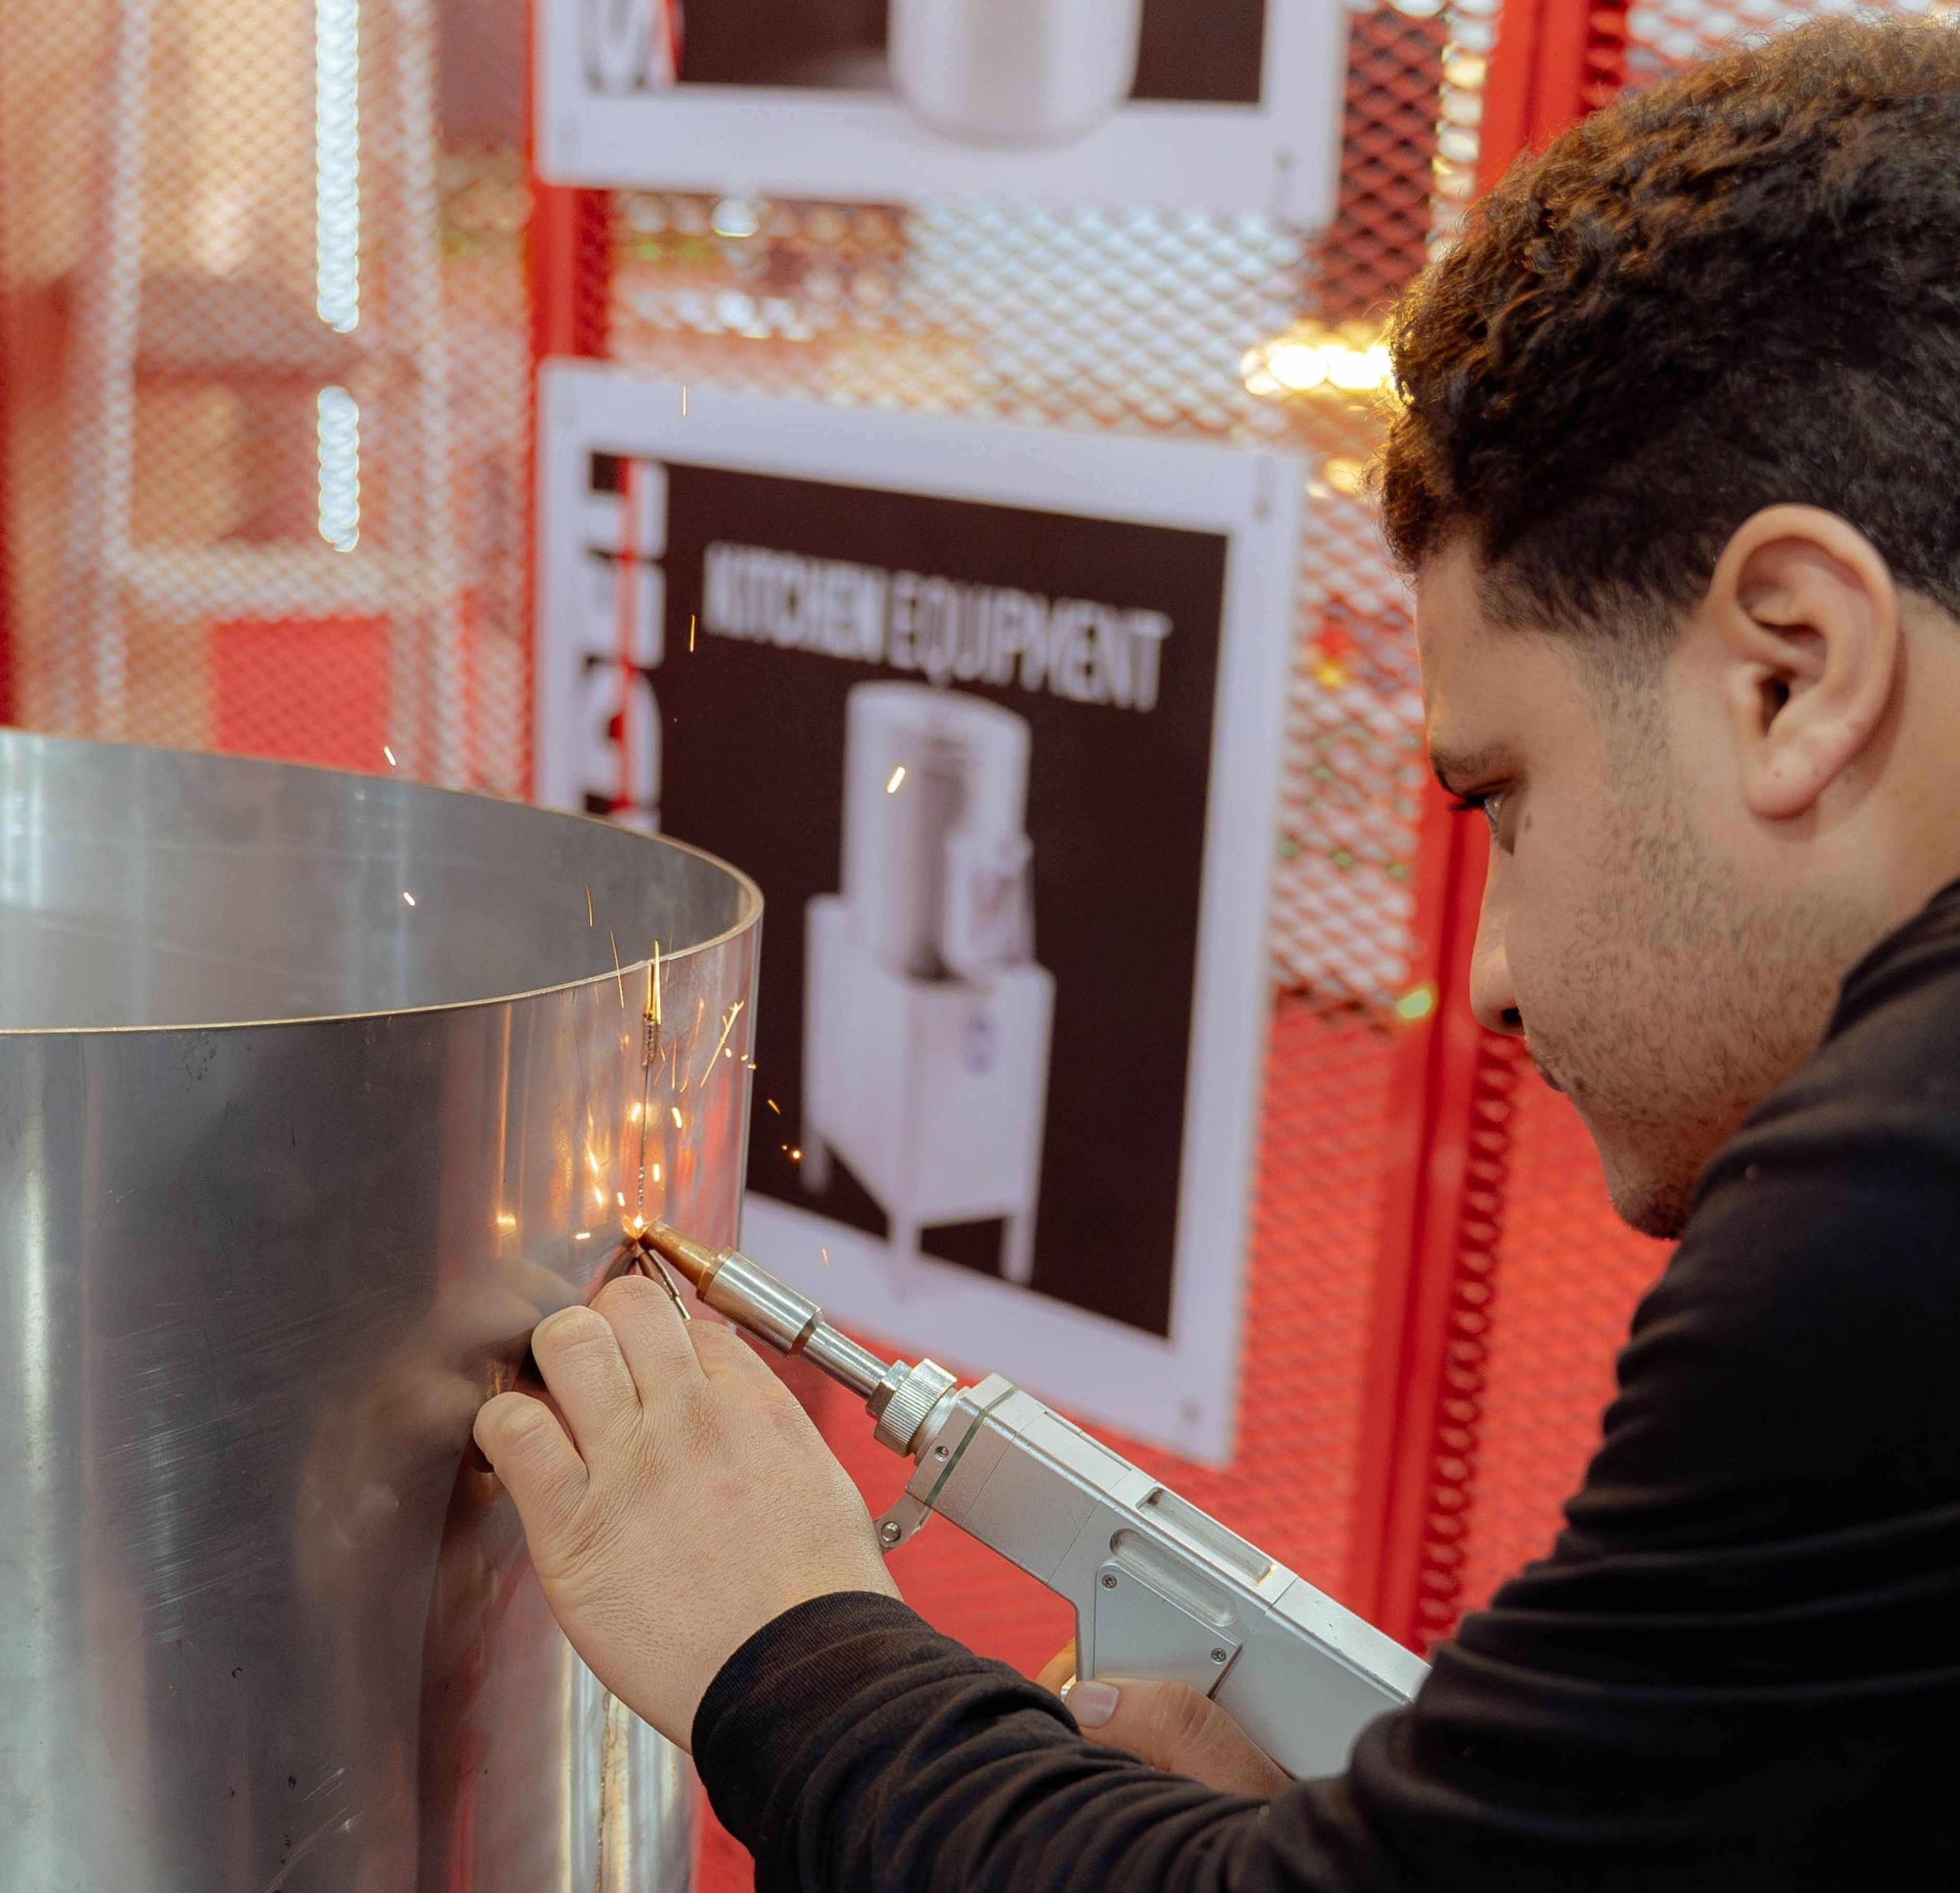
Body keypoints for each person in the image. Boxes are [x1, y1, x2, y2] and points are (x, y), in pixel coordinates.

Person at [474, 18, 1960, 1888]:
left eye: (1506, 798)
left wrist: (782, 1639)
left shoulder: (1885, 1214)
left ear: (1793, 667)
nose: (1494, 973)